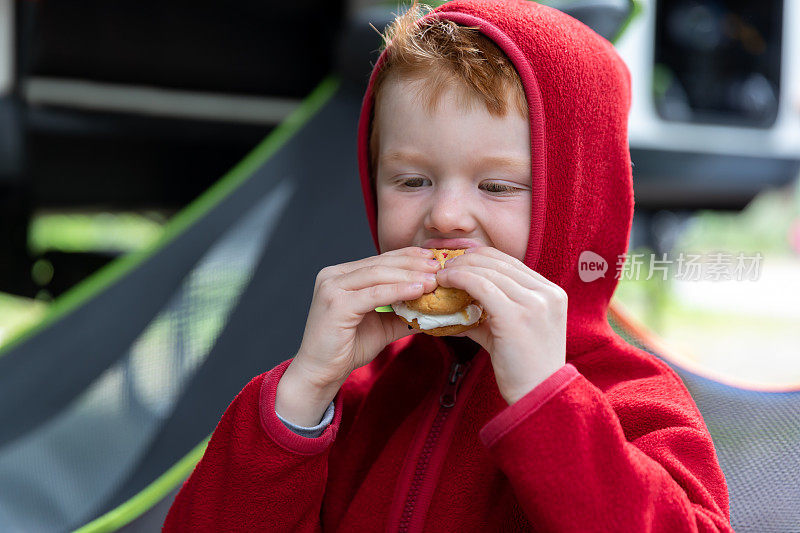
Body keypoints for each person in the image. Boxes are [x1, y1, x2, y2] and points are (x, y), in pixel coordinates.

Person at [164, 0, 734, 530]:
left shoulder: (633, 397)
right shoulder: (361, 396)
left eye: (495, 185)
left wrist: (547, 400)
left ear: (578, 206)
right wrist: (303, 392)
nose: (446, 216)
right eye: (412, 181)